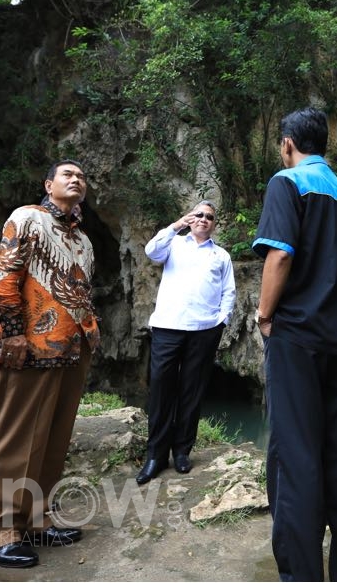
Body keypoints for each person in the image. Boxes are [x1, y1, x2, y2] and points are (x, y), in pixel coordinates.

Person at [252, 107, 337, 581]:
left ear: (288, 144)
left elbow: (280, 254)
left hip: (299, 339)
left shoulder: (287, 183)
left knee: (296, 456)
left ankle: (301, 574)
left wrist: (265, 315)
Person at [0, 160, 100, 569]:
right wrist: (11, 333)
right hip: (29, 345)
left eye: (81, 176)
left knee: (52, 440)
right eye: (67, 174)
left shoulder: (82, 238)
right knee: (15, 440)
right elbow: (3, 275)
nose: (76, 179)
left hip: (72, 346)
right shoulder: (27, 217)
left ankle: (35, 520)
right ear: (48, 184)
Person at [136, 201, 236, 485]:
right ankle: (155, 456)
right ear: (191, 218)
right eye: (199, 214)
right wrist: (177, 225)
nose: (204, 219)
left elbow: (229, 291)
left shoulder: (221, 255)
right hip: (168, 326)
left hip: (204, 330)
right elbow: (151, 251)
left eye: (209, 217)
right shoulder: (173, 244)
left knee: (192, 391)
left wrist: (221, 321)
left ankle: (182, 451)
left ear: (214, 224)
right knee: (161, 389)